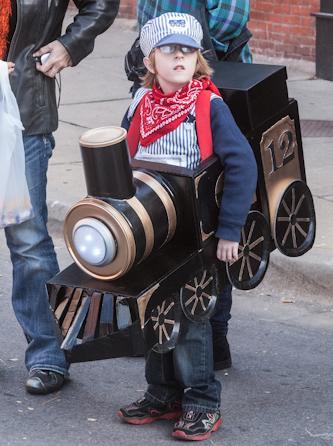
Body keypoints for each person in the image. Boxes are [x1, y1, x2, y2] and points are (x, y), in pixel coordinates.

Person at [118, 13, 257, 440]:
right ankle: (162, 392)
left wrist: (231, 230)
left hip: (196, 232)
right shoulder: (140, 104)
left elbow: (242, 164)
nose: (179, 56)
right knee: (152, 311)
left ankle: (201, 400)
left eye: (188, 50)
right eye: (168, 49)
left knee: (192, 317)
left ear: (198, 59)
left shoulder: (208, 105)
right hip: (150, 230)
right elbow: (124, 162)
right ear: (150, 60)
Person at [0, 0, 119, 395]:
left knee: (27, 236)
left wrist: (70, 45)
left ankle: (49, 353)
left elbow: (101, 5)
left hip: (23, 113)